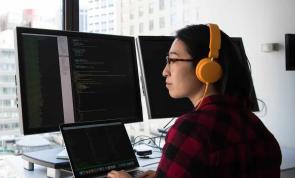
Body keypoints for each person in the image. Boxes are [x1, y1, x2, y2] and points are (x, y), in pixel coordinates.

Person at [108, 24, 281, 178]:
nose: (165, 71)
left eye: (173, 60)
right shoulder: (257, 126)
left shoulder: (191, 130)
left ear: (206, 68)